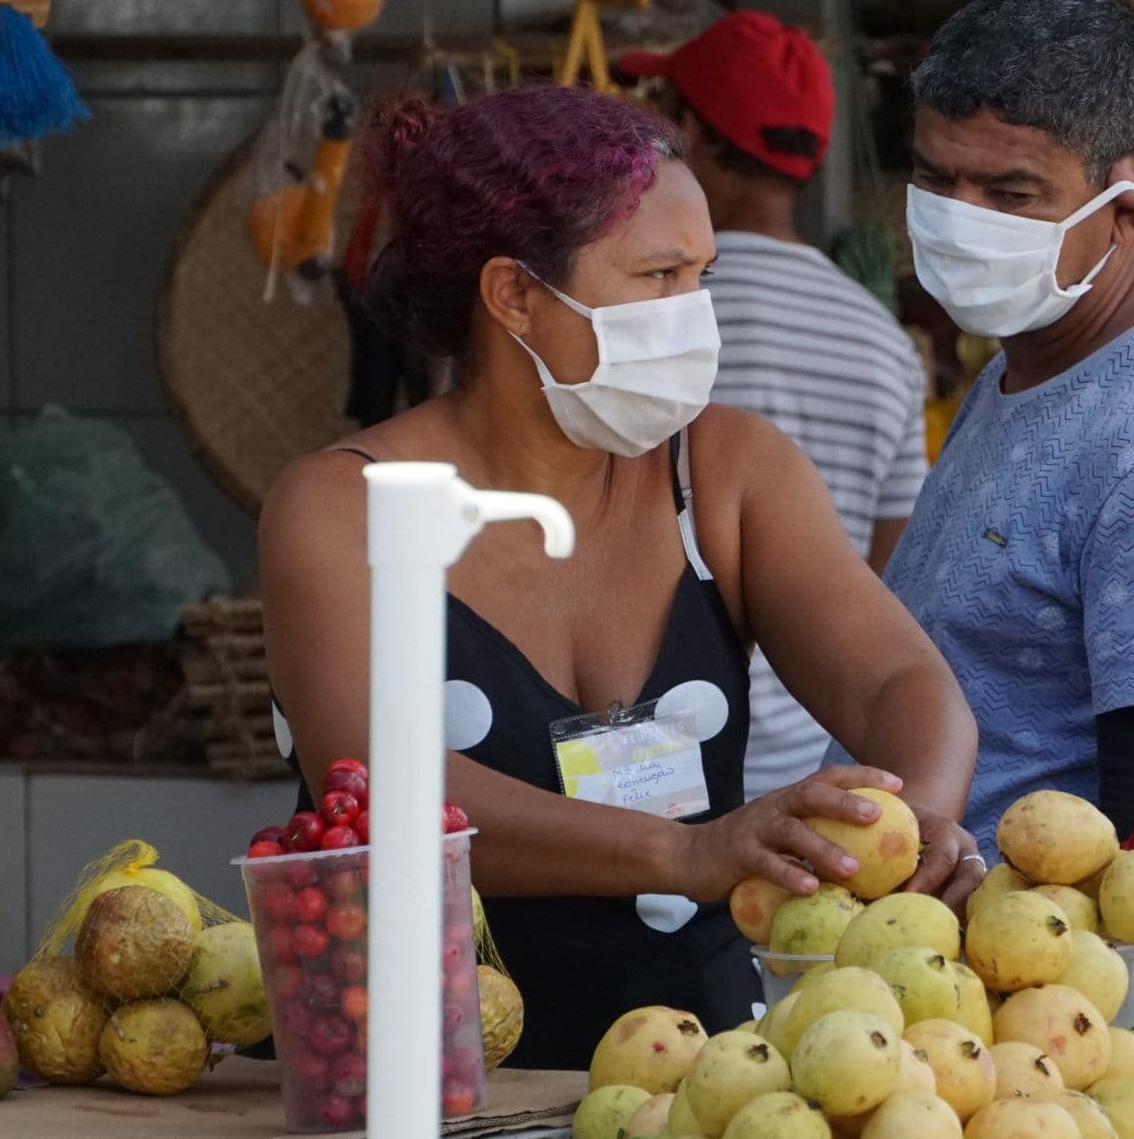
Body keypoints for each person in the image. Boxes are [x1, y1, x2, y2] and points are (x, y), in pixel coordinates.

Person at [260, 86, 981, 1069]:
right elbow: (375, 784)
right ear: (512, 295)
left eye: (701, 276)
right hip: (426, 1086)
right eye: (658, 276)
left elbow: (901, 682)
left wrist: (915, 821)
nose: (693, 317)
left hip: (707, 1089)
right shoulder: (342, 508)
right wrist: (685, 854)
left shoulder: (728, 473)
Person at [852, 0, 1134, 859]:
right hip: (915, 957)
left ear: (1122, 215)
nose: (959, 219)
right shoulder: (1031, 358)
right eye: (937, 178)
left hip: (1038, 977)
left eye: (1011, 194)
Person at [616, 12, 932, 802]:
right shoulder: (884, 341)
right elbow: (892, 584)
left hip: (638, 777)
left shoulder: (641, 319)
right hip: (810, 778)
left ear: (686, 130)